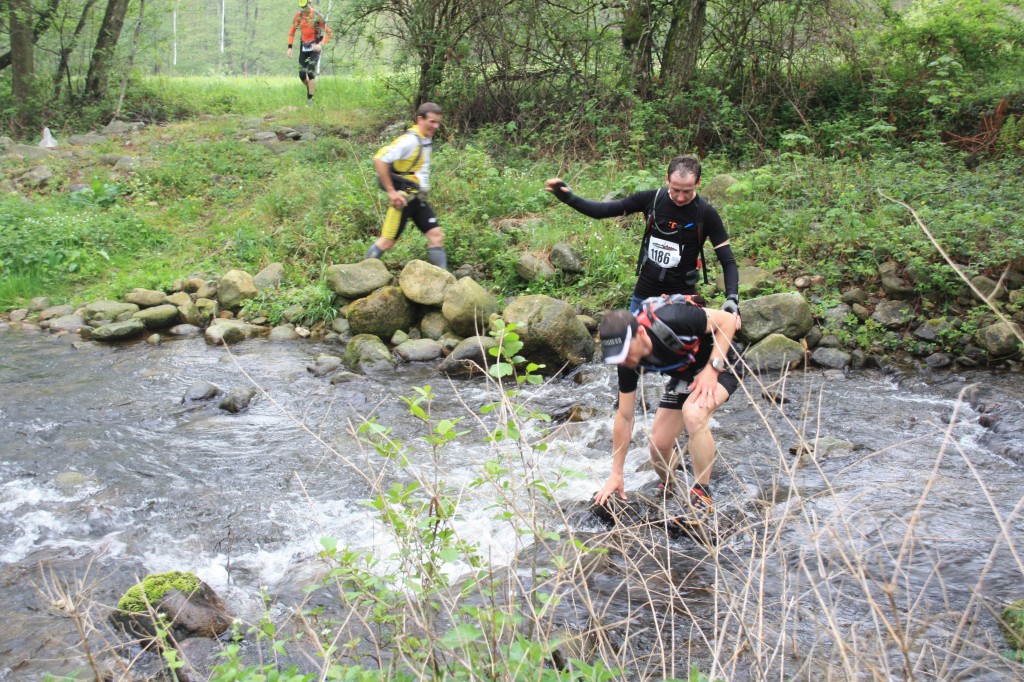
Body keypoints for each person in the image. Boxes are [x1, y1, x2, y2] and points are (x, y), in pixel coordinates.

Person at [595, 298, 740, 522]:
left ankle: (702, 496)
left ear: (641, 333)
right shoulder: (627, 363)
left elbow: (728, 321)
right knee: (659, 445)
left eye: (625, 352)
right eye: (617, 356)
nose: (623, 361)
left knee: (693, 413)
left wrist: (712, 371)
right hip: (685, 375)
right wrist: (616, 473)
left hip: (721, 363)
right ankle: (670, 485)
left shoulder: (674, 318)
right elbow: (624, 417)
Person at [544, 156, 741, 321]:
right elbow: (601, 211)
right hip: (647, 286)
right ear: (667, 180)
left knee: (675, 354)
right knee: (632, 349)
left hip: (682, 292)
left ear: (698, 183)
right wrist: (569, 198)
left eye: (687, 191)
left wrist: (732, 297)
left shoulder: (706, 214)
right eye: (676, 189)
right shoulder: (652, 200)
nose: (680, 197)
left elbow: (728, 261)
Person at [365, 102, 447, 269]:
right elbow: (379, 158)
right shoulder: (409, 140)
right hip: (402, 199)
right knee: (387, 241)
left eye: (438, 122)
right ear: (419, 119)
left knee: (436, 235)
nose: (435, 126)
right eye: (432, 121)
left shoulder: (426, 139)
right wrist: (391, 192)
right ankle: (362, 276)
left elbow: (420, 169)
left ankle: (444, 280)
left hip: (417, 197)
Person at [286, 0, 331, 106]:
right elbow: (292, 31)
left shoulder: (317, 15)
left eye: (305, 8)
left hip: (315, 46)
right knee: (302, 75)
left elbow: (328, 32)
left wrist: (321, 44)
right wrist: (289, 47)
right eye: (302, 8)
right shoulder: (299, 15)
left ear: (310, 4)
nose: (303, 10)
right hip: (304, 46)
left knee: (310, 71)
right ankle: (311, 87)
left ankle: (310, 99)